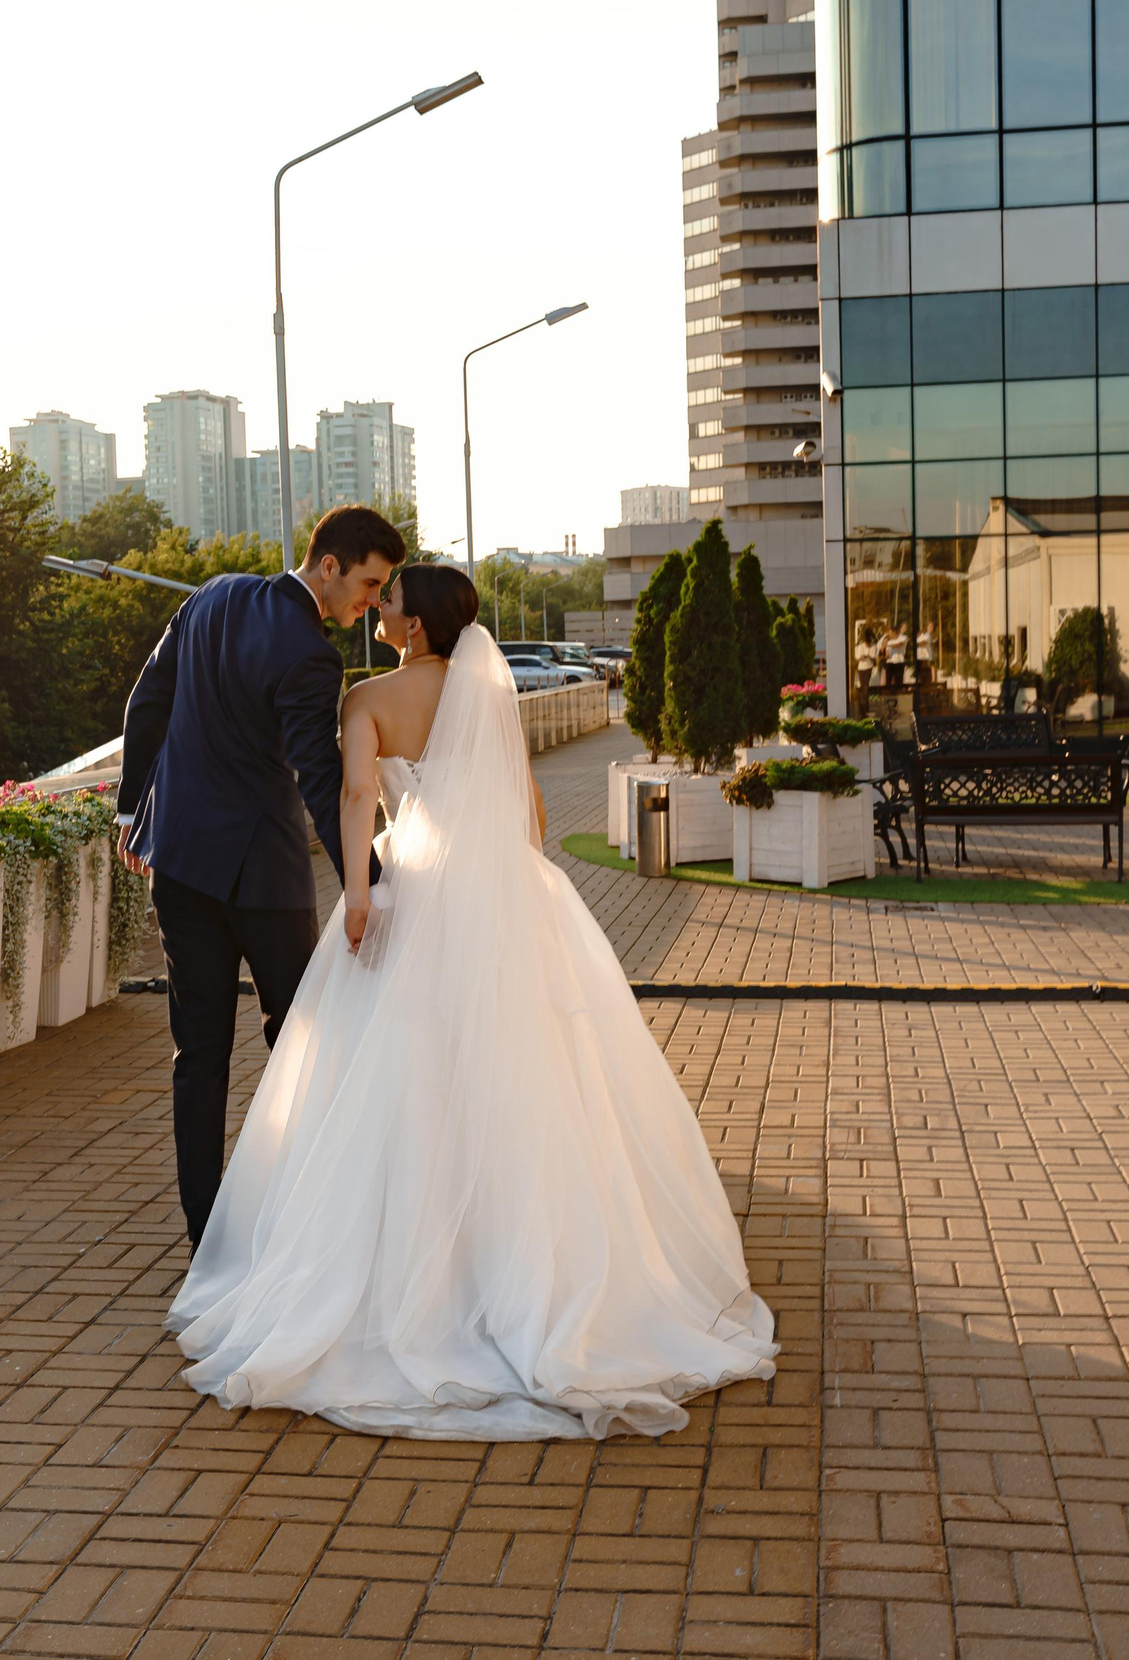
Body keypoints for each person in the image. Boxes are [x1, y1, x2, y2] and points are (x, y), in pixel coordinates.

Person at [167, 565, 778, 1440]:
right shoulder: (488, 692)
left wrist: (363, 897)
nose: (376, 606)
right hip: (499, 893)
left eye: (388, 598)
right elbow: (526, 805)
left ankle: (418, 1277)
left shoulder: (366, 699)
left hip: (410, 889)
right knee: (514, 1076)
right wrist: (512, 881)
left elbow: (349, 798)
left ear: (413, 622)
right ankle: (518, 1270)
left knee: (400, 1081)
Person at [116, 504, 406, 1248]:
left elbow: (145, 703)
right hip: (262, 880)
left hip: (177, 863)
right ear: (330, 565)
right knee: (307, 1038)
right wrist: (365, 882)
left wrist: (131, 816)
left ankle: (206, 1238)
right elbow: (321, 778)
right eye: (369, 584)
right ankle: (321, 1219)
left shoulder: (210, 596)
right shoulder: (310, 653)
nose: (371, 601)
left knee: (199, 1054)